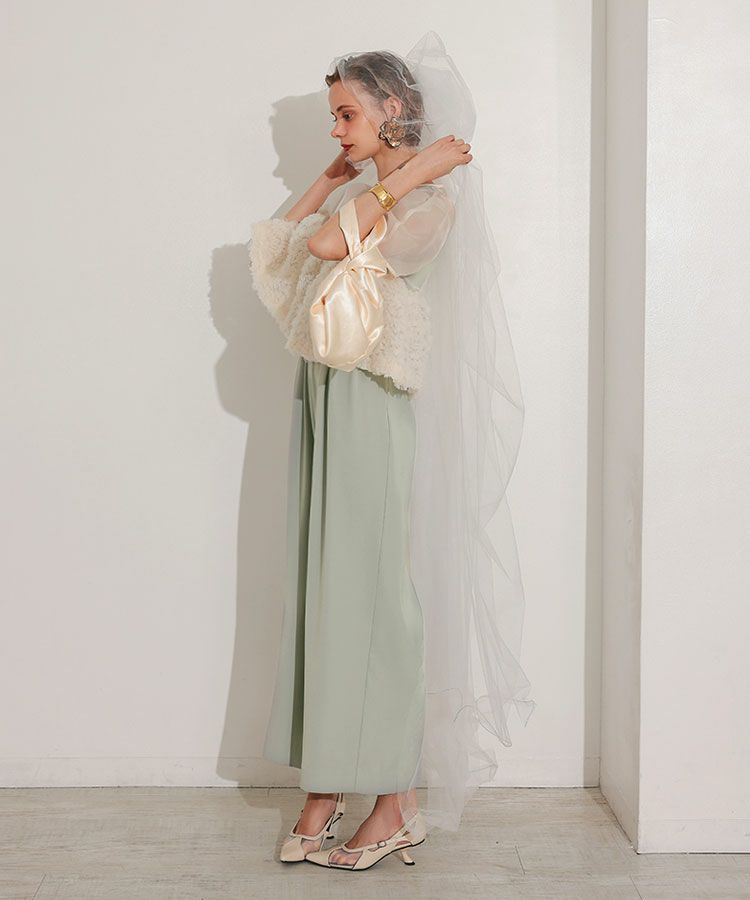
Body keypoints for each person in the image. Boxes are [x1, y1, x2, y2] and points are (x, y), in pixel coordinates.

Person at [248, 31, 535, 873]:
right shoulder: (372, 193)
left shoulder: (428, 204)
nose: (337, 130)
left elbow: (332, 250)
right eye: (334, 116)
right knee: (327, 592)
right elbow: (280, 250)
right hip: (326, 399)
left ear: (393, 109)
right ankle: (329, 783)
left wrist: (409, 173)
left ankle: (394, 797)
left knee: (372, 600)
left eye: (346, 115)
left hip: (371, 405)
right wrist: (334, 175)